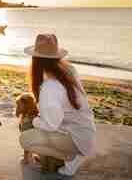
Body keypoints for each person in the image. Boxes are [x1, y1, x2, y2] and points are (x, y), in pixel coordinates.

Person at [19, 34, 97, 176]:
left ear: (35, 59)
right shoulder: (69, 69)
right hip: (86, 132)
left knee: (25, 139)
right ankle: (64, 156)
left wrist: (34, 120)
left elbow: (51, 125)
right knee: (38, 126)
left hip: (75, 138)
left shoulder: (50, 86)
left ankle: (69, 157)